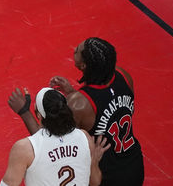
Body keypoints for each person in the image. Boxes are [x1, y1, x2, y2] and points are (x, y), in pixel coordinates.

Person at [49, 38, 144, 185]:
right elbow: (111, 106)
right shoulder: (124, 76)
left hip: (105, 175)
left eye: (77, 51)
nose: (74, 50)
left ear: (83, 65)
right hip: (134, 165)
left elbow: (56, 145)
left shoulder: (78, 105)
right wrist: (73, 93)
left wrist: (24, 112)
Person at [2, 87, 108, 186]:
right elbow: (95, 181)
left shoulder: (24, 148)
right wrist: (93, 159)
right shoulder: (85, 138)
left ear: (39, 115)